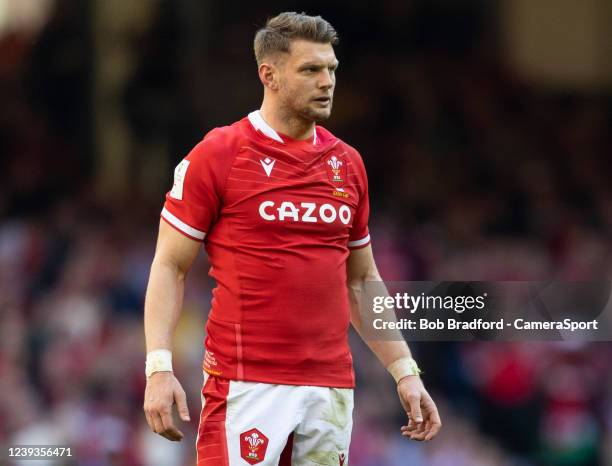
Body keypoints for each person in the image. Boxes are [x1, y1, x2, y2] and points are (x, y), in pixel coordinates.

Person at [143, 11, 441, 465]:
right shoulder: (219, 153)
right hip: (247, 383)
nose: (327, 82)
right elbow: (169, 265)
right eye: (311, 70)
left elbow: (361, 281)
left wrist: (404, 372)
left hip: (330, 385)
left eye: (331, 70)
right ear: (270, 75)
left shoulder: (348, 164)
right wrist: (159, 368)